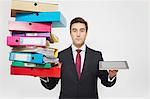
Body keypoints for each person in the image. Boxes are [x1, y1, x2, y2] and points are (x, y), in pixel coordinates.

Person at [40, 17, 118, 99]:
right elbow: (50, 85)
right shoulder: (60, 56)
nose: (78, 34)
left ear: (86, 33)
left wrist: (111, 76)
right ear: (70, 33)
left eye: (82, 30)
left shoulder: (96, 56)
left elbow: (106, 81)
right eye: (74, 30)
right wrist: (42, 74)